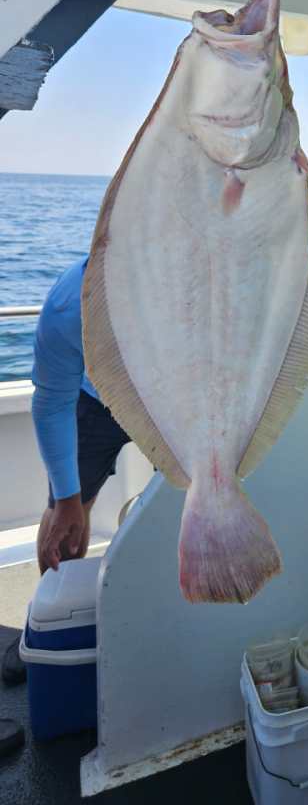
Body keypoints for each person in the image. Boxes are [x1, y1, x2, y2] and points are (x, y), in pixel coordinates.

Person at [1, 257, 130, 687]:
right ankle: (50, 626)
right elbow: (52, 403)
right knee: (65, 514)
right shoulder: (68, 305)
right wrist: (68, 499)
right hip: (96, 403)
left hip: (172, 400)